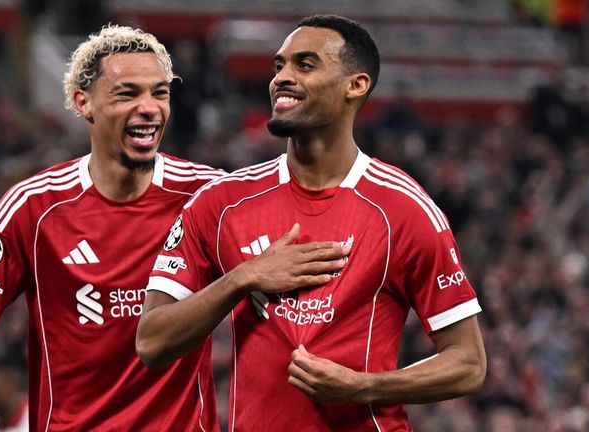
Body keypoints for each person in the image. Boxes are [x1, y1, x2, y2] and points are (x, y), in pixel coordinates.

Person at [137, 14, 486, 431]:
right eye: (278, 65)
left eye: (304, 64)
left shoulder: (403, 209)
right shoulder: (221, 203)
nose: (281, 77)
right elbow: (152, 342)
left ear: (355, 86)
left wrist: (362, 386)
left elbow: (468, 363)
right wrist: (243, 277)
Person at [0, 24, 226, 431]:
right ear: (83, 102)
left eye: (160, 93)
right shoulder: (34, 207)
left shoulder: (209, 196)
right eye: (128, 93)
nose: (149, 107)